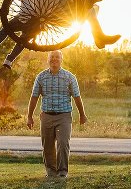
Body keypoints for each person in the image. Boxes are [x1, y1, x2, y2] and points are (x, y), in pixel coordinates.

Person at [26, 50, 87, 178]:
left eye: (57, 57)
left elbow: (77, 96)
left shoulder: (70, 77)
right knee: (47, 145)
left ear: (61, 59)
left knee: (63, 143)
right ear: (48, 60)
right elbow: (34, 97)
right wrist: (29, 116)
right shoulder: (41, 77)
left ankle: (62, 172)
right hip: (47, 116)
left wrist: (82, 114)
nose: (54, 59)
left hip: (64, 116)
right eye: (52, 57)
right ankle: (51, 171)